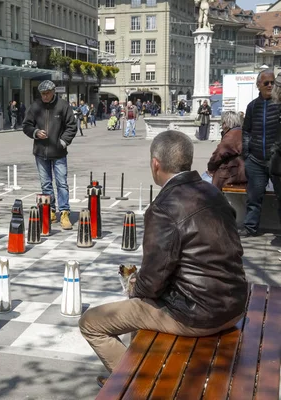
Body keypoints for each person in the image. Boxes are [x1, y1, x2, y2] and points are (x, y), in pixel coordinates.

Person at [79, 130, 248, 387]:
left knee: (91, 322)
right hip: (234, 303)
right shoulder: (213, 192)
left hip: (197, 315)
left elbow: (153, 281)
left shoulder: (162, 207)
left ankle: (134, 384)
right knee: (140, 305)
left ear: (155, 164)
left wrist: (135, 283)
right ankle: (137, 366)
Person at [22, 80, 76, 230]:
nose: (45, 96)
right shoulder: (35, 106)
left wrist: (63, 142)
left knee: (62, 183)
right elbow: (26, 125)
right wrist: (35, 132)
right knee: (46, 184)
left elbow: (72, 126)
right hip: (40, 151)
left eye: (47, 93)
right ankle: (50, 210)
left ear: (53, 91)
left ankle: (64, 212)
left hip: (58, 151)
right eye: (42, 94)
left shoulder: (63, 105)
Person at [240, 69, 281, 237]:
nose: (270, 85)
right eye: (266, 83)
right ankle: (250, 228)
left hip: (277, 160)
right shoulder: (252, 106)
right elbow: (246, 131)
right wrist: (246, 154)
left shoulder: (279, 104)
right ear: (258, 85)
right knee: (254, 198)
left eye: (272, 82)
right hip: (255, 160)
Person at [206, 111, 246, 190]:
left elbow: (218, 154)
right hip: (242, 170)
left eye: (222, 123)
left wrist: (210, 168)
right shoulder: (241, 132)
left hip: (232, 172)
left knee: (204, 180)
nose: (222, 125)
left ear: (226, 123)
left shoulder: (232, 135)